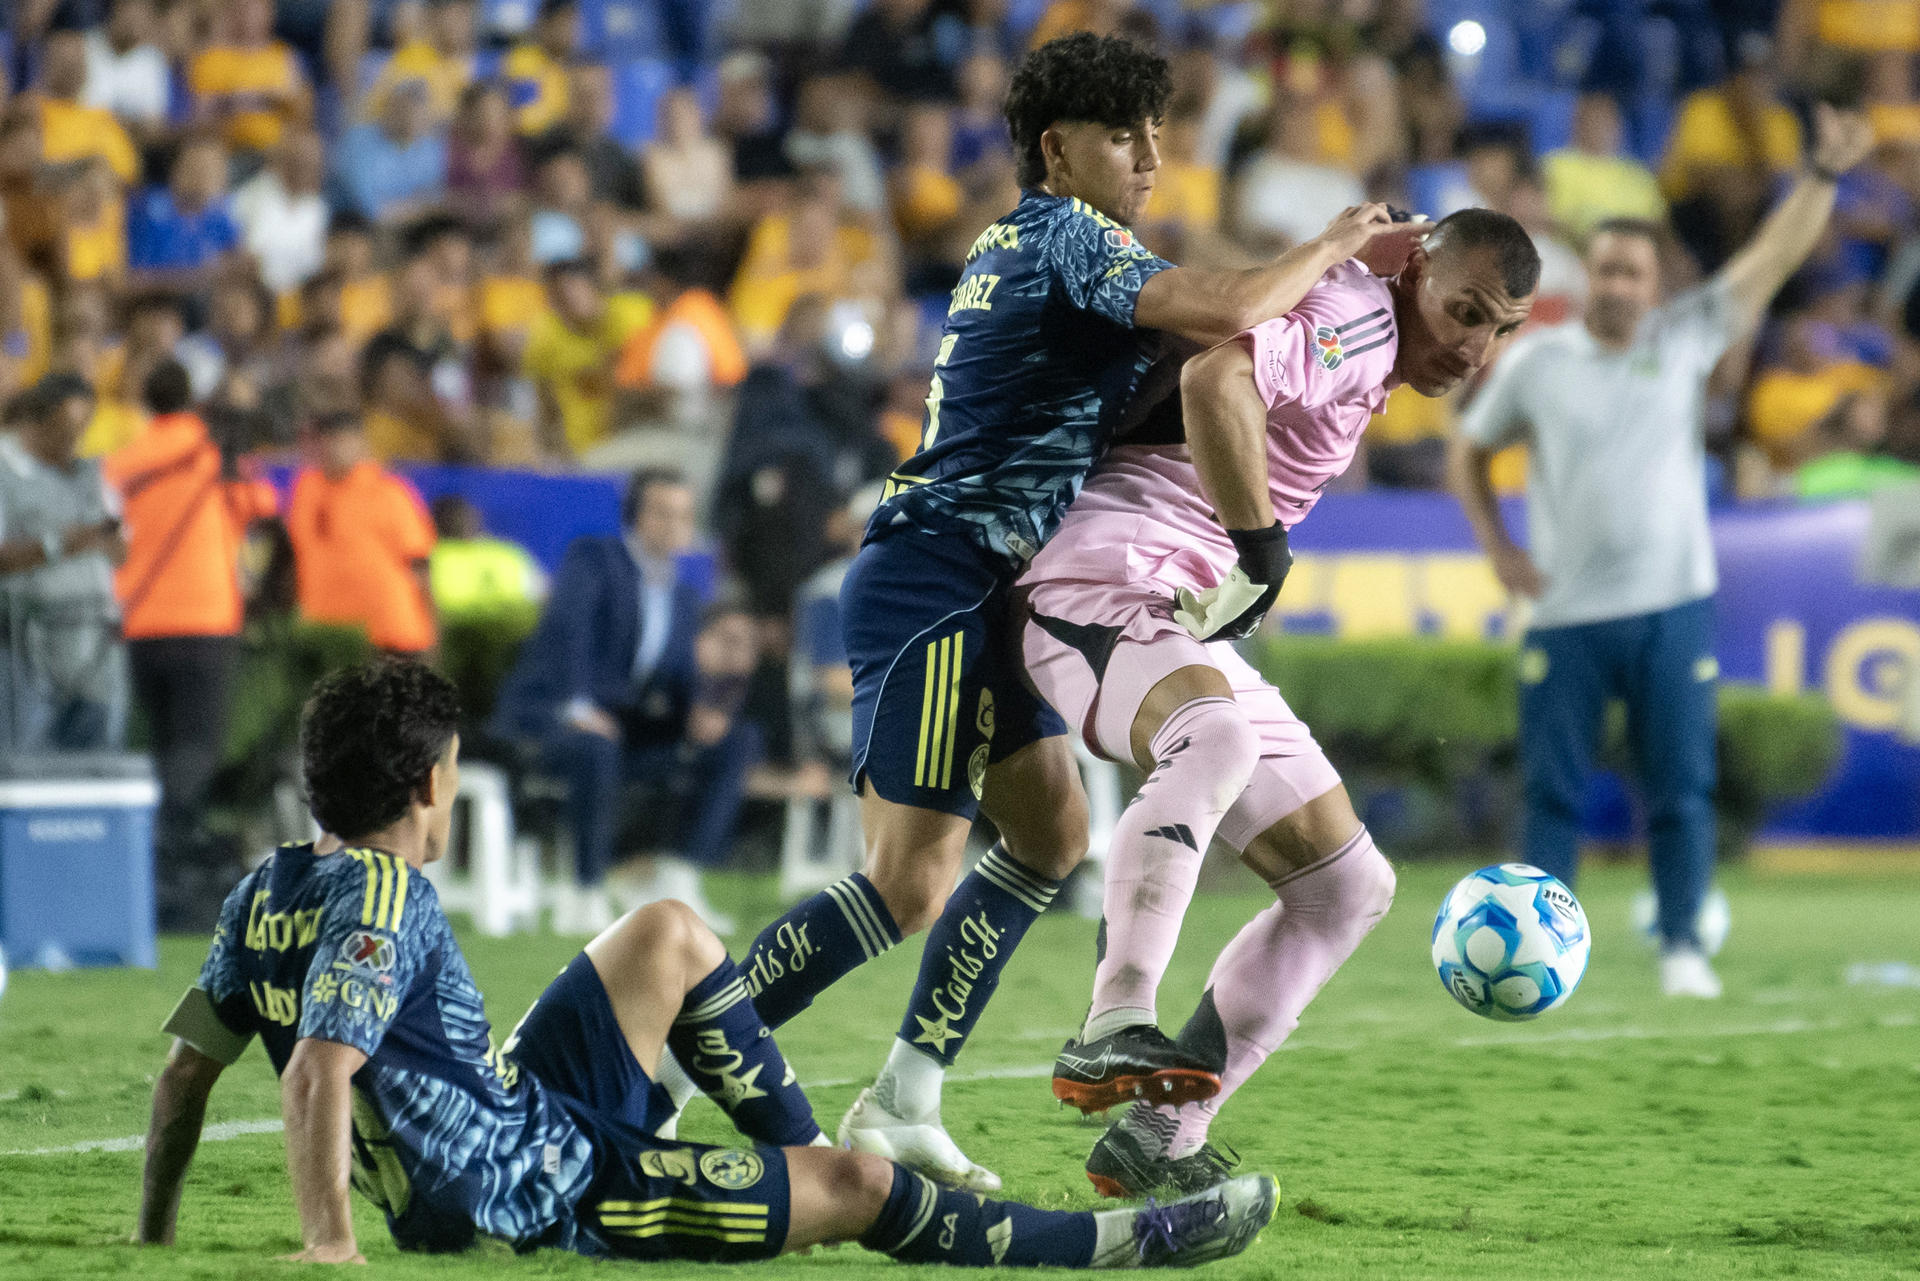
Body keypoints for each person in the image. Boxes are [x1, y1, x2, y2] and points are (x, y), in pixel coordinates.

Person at [724, 32, 1417, 1191]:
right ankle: (656, 1039)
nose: (1150, 153)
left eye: (1157, 130)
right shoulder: (1066, 235)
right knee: (906, 882)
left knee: (1049, 837)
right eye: (1122, 134)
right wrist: (1343, 240)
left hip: (994, 581)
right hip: (938, 569)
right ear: (1057, 147)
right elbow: (1238, 307)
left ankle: (903, 1097)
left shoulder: (1041, 245)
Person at [134, 659, 1276, 1267]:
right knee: (869, 1193)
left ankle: (802, 1158)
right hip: (538, 1194)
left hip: (523, 1117)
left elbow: (188, 1074)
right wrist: (330, 1243)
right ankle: (1125, 1244)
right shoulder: (389, 897)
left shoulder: (264, 889)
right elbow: (315, 1072)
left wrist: (154, 1233)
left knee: (668, 931)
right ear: (431, 784)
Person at [1019, 209, 1539, 1197]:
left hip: (1177, 607)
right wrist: (1264, 548)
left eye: (1499, 326)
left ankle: (1163, 1137)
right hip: (1104, 581)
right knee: (1209, 741)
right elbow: (1217, 377)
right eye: (1463, 311)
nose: (1474, 345)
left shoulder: (1373, 327)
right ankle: (1112, 1020)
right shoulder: (1365, 322)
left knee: (1346, 887)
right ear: (1416, 275)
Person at [1448, 105, 1879, 1001]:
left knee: (1682, 791)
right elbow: (1466, 448)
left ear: (1653, 285)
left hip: (1672, 602)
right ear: (1588, 272)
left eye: (1632, 270)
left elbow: (1769, 262)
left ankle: (1683, 942)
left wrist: (1825, 176)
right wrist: (1498, 547)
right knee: (1551, 797)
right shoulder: (1537, 361)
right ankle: (1543, 958)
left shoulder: (1683, 338)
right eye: (1605, 265)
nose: (1615, 281)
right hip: (1565, 610)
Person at [490, 470, 747, 935]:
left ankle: (677, 876)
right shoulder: (595, 559)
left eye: (684, 515)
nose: (675, 524)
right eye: (662, 513)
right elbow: (571, 633)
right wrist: (577, 707)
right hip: (550, 719)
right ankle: (583, 892)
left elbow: (675, 680)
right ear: (635, 517)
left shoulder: (685, 596)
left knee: (735, 740)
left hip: (623, 728)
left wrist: (699, 713)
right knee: (597, 747)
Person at [104, 359, 279, 927]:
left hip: (139, 623)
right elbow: (265, 511)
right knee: (196, 745)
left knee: (159, 742)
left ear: (145, 402)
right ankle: (174, 849)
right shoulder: (216, 456)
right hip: (205, 620)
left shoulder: (122, 463)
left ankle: (155, 855)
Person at [0, 374, 127, 752]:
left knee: (96, 761)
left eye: (85, 426)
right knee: (29, 764)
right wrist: (60, 545)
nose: (78, 437)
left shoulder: (92, 473)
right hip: (28, 644)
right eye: (69, 427)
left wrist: (107, 539)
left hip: (95, 640)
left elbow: (121, 553)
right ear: (39, 421)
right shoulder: (6, 469)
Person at [285, 410, 438, 657]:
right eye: (328, 440)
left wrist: (432, 633)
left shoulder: (388, 492)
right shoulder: (307, 491)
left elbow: (420, 565)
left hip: (387, 635)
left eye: (343, 440)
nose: (334, 449)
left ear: (361, 443)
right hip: (327, 633)